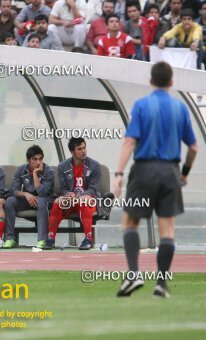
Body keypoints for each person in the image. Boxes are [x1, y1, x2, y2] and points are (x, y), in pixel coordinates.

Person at [113, 61, 198, 298]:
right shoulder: (180, 109)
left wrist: (119, 173)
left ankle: (133, 275)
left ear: (150, 81)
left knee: (130, 222)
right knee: (167, 229)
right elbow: (193, 147)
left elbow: (130, 141)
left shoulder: (141, 105)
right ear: (171, 82)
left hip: (144, 170)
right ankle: (161, 283)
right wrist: (184, 173)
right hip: (170, 171)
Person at [44, 138, 101, 251]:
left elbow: (93, 189)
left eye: (84, 148)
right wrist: (68, 194)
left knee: (84, 202)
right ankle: (50, 238)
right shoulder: (62, 166)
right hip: (71, 200)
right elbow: (64, 188)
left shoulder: (95, 166)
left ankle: (88, 239)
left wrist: (81, 196)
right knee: (57, 203)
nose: (84, 151)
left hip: (87, 199)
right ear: (72, 152)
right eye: (79, 149)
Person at [3, 145, 54, 249]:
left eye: (40, 159)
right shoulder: (21, 170)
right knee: (9, 201)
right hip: (27, 200)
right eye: (34, 159)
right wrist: (26, 194)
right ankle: (9, 238)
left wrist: (35, 174)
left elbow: (42, 192)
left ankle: (42, 240)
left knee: (41, 201)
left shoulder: (49, 171)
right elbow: (14, 190)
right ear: (28, 160)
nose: (38, 162)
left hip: (44, 200)